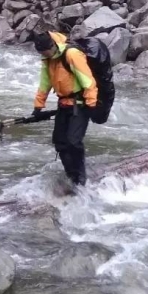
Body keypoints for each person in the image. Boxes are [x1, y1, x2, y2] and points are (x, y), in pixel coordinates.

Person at [31, 31, 98, 187]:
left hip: (81, 103)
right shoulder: (47, 60)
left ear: (52, 45)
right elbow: (44, 83)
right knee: (60, 142)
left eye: (46, 52)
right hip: (63, 104)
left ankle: (81, 177)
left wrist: (91, 103)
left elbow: (88, 80)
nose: (45, 55)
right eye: (42, 53)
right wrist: (38, 105)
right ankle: (71, 175)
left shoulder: (72, 54)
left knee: (74, 142)